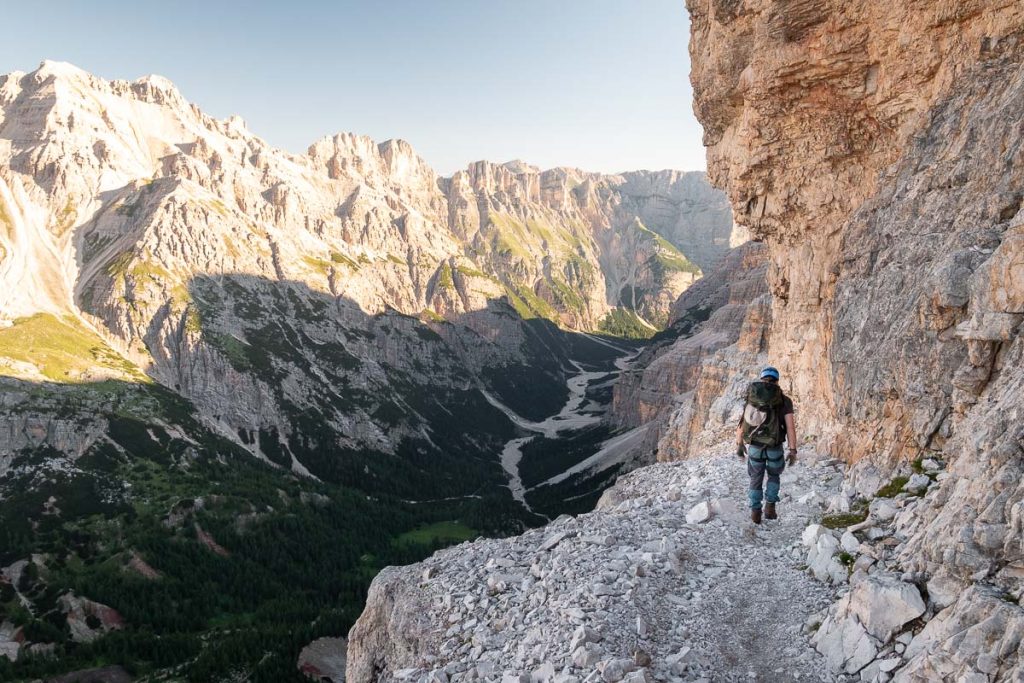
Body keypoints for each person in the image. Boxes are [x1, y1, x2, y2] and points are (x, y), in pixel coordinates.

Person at [735, 366, 797, 524]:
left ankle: (755, 512)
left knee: (756, 477)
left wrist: (739, 445)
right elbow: (790, 427)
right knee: (774, 475)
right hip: (774, 446)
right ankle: (770, 508)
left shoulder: (752, 397)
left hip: (755, 446)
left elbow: (743, 423)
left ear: (762, 379)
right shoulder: (784, 400)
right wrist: (792, 450)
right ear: (777, 380)